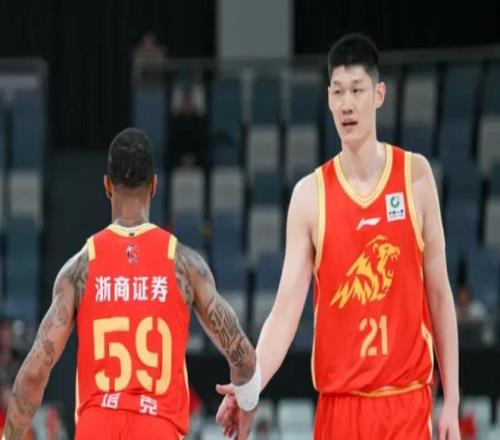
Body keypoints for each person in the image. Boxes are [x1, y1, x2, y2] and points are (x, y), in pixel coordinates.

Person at [216, 33, 460, 439]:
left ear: (379, 95)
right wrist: (248, 389)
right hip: (339, 408)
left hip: (405, 404)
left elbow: (439, 293)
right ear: (328, 99)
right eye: (338, 91)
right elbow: (284, 312)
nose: (347, 103)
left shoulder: (415, 176)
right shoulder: (309, 195)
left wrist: (451, 400)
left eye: (357, 90)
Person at [3, 128, 260, 440]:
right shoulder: (185, 265)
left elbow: (34, 373)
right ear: (154, 185)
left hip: (97, 425)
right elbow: (244, 359)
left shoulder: (79, 269)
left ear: (107, 185)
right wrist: (245, 401)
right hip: (157, 425)